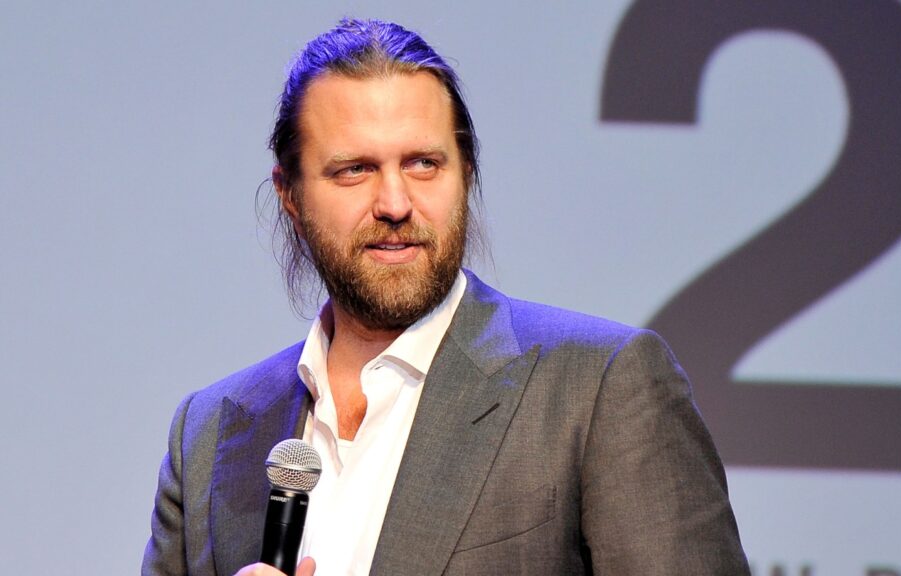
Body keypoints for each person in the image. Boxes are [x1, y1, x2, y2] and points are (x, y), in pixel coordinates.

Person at [142, 18, 749, 576]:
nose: (395, 203)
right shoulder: (209, 433)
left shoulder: (597, 389)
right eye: (354, 169)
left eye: (424, 164)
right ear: (290, 196)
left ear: (466, 175)